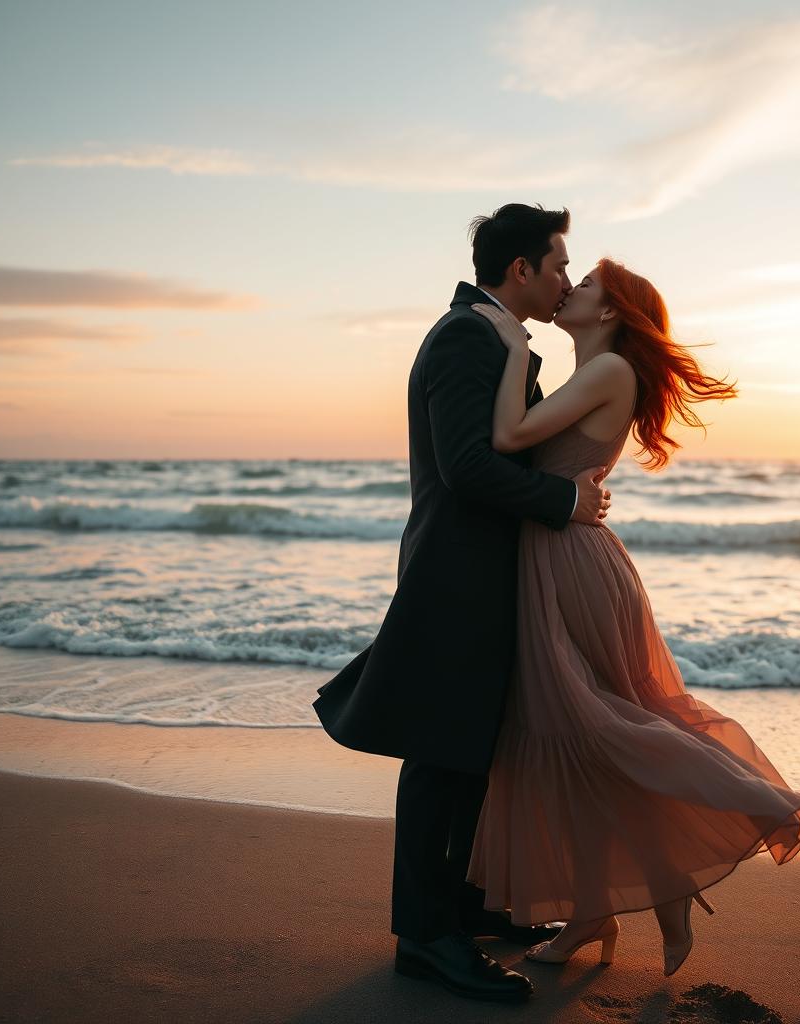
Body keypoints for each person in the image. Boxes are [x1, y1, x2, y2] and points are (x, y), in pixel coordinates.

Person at [466, 258, 800, 977]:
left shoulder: (604, 374)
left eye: (588, 284)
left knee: (595, 729)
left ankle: (731, 824)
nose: (570, 287)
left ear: (608, 314)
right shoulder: (591, 375)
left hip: (570, 564)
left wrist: (512, 346)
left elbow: (508, 440)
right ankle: (605, 912)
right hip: (568, 558)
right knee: (591, 736)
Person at [312, 204, 612, 1004]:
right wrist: (564, 501)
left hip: (494, 575)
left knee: (477, 747)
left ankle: (468, 906)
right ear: (519, 270)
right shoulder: (464, 338)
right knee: (443, 755)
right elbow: (465, 468)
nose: (563, 282)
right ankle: (424, 936)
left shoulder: (503, 341)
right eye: (556, 267)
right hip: (456, 575)